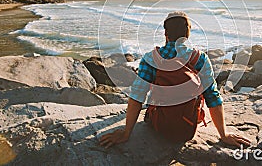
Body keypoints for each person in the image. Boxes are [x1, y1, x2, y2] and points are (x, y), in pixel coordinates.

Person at [99, 11, 251, 148]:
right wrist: (224, 135)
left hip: (159, 125)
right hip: (189, 126)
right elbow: (213, 97)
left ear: (166, 33)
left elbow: (137, 97)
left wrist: (126, 133)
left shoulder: (151, 58)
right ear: (187, 34)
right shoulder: (200, 59)